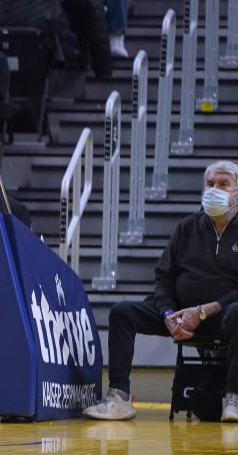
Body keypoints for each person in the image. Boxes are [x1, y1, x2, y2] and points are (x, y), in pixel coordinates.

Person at [83, 160, 238, 422]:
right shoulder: (187, 227)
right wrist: (168, 314)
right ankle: (119, 397)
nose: (215, 189)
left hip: (223, 317)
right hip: (179, 316)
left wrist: (204, 311)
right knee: (123, 313)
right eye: (210, 184)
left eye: (224, 184)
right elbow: (163, 277)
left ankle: (233, 398)